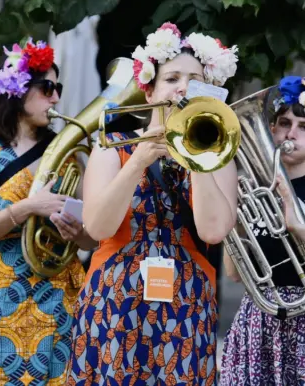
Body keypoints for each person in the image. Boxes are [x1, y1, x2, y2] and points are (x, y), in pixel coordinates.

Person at [67, 22, 240, 385]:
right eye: (172, 78)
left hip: (187, 305)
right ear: (149, 92)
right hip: (114, 304)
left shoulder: (218, 151)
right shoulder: (113, 144)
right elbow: (97, 228)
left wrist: (199, 157)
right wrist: (138, 161)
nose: (182, 87)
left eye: (194, 79)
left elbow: (213, 230)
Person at [0, 38, 97, 385]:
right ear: (17, 90)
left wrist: (75, 232)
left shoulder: (69, 152)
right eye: (47, 87)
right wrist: (29, 208)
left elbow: (92, 238)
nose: (56, 98)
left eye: (58, 88)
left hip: (59, 297)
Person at [220, 76, 305, 386]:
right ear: (272, 130)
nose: (291, 133)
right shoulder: (253, 190)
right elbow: (232, 272)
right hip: (259, 317)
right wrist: (237, 218)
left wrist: (297, 226)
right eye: (284, 123)